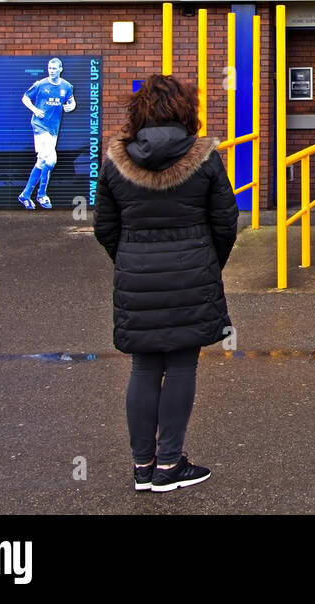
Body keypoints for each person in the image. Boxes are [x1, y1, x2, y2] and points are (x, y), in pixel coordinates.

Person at [94, 74, 238, 493]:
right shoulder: (204, 156)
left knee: (142, 366)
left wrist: (129, 260)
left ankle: (143, 467)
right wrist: (208, 264)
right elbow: (225, 222)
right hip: (192, 273)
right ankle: (170, 464)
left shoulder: (115, 159)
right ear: (184, 109)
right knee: (180, 366)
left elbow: (105, 227)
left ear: (139, 111)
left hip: (136, 277)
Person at [19, 57, 76, 209]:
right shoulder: (40, 84)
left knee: (45, 162)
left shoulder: (66, 86)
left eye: (54, 68)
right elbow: (25, 98)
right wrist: (35, 110)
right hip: (39, 125)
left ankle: (26, 194)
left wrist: (71, 106)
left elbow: (71, 101)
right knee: (48, 158)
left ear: (60, 69)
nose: (51, 71)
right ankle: (41, 194)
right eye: (49, 68)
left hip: (53, 128)